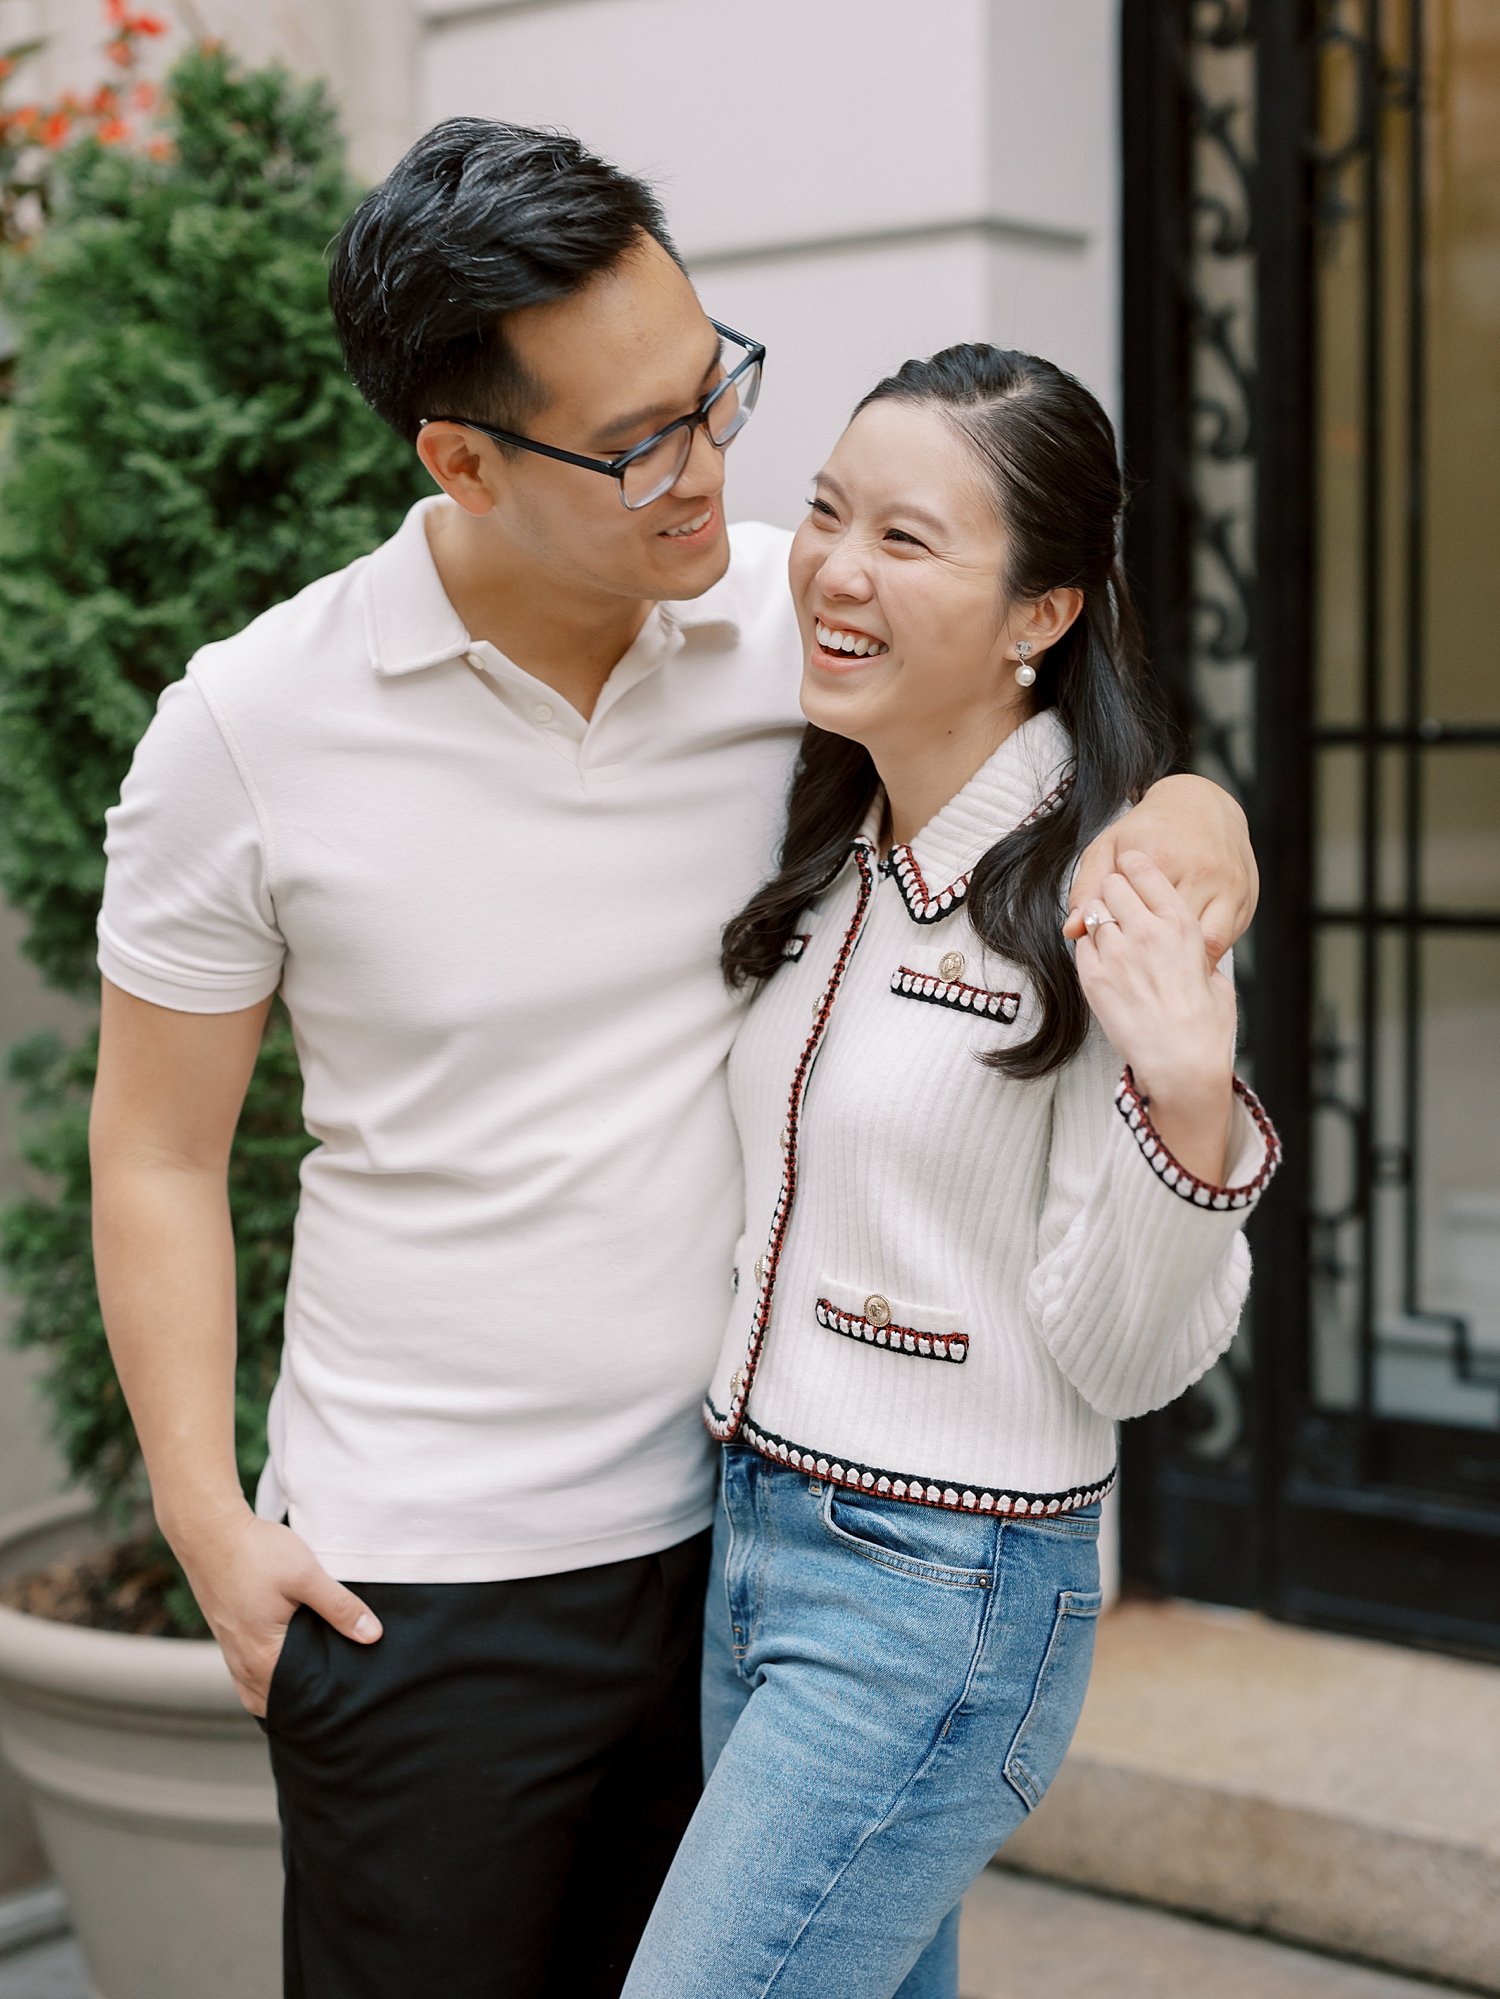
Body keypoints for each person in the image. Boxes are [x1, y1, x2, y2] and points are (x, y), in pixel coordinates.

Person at [88, 121, 1259, 1999]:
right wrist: (207, 1527)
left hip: (753, 1544)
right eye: (640, 440)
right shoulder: (247, 729)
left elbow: (1066, 692)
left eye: (716, 390)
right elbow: (154, 1152)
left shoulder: (800, 624)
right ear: (458, 459)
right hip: (424, 1583)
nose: (712, 472)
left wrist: (1201, 834)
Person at [620, 347, 1282, 1999]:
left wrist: (1191, 1109)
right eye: (830, 510)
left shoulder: (1108, 900)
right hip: (754, 1544)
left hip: (942, 1599)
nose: (837, 567)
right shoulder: (843, 837)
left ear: (1039, 614)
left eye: (909, 541)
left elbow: (1129, 1358)